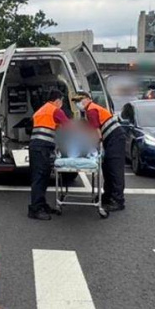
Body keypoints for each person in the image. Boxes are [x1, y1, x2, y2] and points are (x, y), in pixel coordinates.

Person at [72, 92, 126, 212]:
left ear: (87, 99)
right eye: (75, 102)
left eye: (79, 100)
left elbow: (97, 134)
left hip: (115, 138)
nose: (77, 104)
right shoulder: (89, 111)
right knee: (107, 168)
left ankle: (118, 201)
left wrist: (91, 149)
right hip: (112, 138)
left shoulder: (91, 110)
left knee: (114, 169)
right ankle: (107, 196)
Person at [28, 89, 71, 221]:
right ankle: (35, 209)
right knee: (40, 178)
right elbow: (69, 127)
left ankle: (41, 204)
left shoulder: (41, 110)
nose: (62, 104)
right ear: (58, 100)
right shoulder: (56, 110)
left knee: (42, 177)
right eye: (62, 102)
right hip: (42, 148)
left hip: (37, 147)